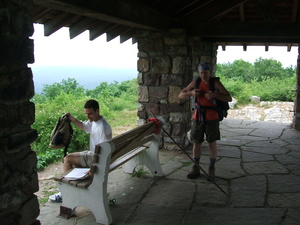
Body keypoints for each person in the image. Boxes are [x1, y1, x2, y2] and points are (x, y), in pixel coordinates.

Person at [49, 99, 112, 202]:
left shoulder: (103, 128)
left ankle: (65, 193)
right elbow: (83, 126)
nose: (88, 117)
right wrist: (72, 119)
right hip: (94, 154)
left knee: (68, 159)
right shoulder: (95, 121)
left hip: (97, 158)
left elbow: (104, 152)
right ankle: (76, 191)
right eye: (86, 114)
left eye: (90, 114)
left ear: (97, 111)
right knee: (73, 161)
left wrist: (93, 169)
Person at [178, 63, 232, 181]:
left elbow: (229, 97)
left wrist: (214, 94)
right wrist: (191, 93)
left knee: (212, 142)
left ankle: (211, 168)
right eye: (201, 73)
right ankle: (196, 167)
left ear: (210, 72)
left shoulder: (215, 83)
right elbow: (181, 95)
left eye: (206, 73)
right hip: (198, 117)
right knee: (196, 142)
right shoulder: (196, 83)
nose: (203, 75)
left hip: (212, 117)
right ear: (199, 72)